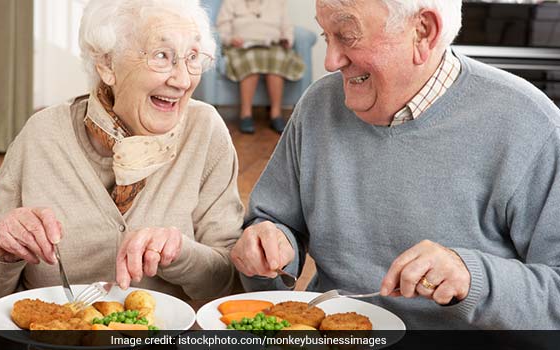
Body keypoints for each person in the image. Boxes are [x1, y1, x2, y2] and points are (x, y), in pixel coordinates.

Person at [230, 0, 560, 329]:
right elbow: (273, 220)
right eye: (325, 34)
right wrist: (266, 244)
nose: (330, 61)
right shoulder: (318, 106)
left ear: (423, 31)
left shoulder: (532, 124)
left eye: (347, 35)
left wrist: (472, 277)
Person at [0, 0, 244, 303]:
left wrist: (182, 253)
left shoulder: (205, 131)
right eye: (162, 56)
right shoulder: (42, 135)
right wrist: (3, 251)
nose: (182, 80)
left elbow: (229, 284)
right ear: (107, 64)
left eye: (192, 57)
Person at [216, 0, 305, 134]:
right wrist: (231, 39)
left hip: (272, 46)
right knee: (251, 61)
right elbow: (222, 28)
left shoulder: (278, 3)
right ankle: (246, 114)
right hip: (242, 47)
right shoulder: (231, 2)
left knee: (277, 60)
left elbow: (287, 27)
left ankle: (276, 114)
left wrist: (287, 39)